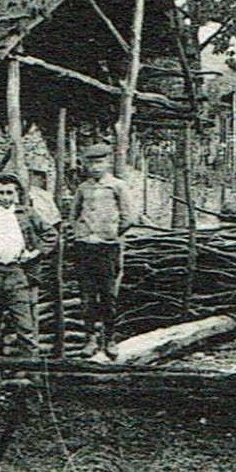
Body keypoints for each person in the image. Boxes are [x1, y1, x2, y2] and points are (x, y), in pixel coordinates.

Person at [0, 172, 57, 365]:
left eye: (9, 193)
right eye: (1, 193)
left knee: (25, 327)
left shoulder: (27, 213)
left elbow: (51, 234)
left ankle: (33, 376)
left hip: (17, 274)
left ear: (16, 194)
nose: (6, 197)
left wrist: (35, 253)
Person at [68, 142, 133, 360]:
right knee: (87, 296)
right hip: (85, 247)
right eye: (91, 162)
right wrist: (81, 233)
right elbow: (73, 215)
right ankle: (90, 339)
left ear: (108, 162)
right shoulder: (83, 188)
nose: (95, 167)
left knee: (108, 295)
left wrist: (111, 233)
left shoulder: (117, 186)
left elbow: (128, 217)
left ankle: (110, 338)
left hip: (107, 248)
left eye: (99, 162)